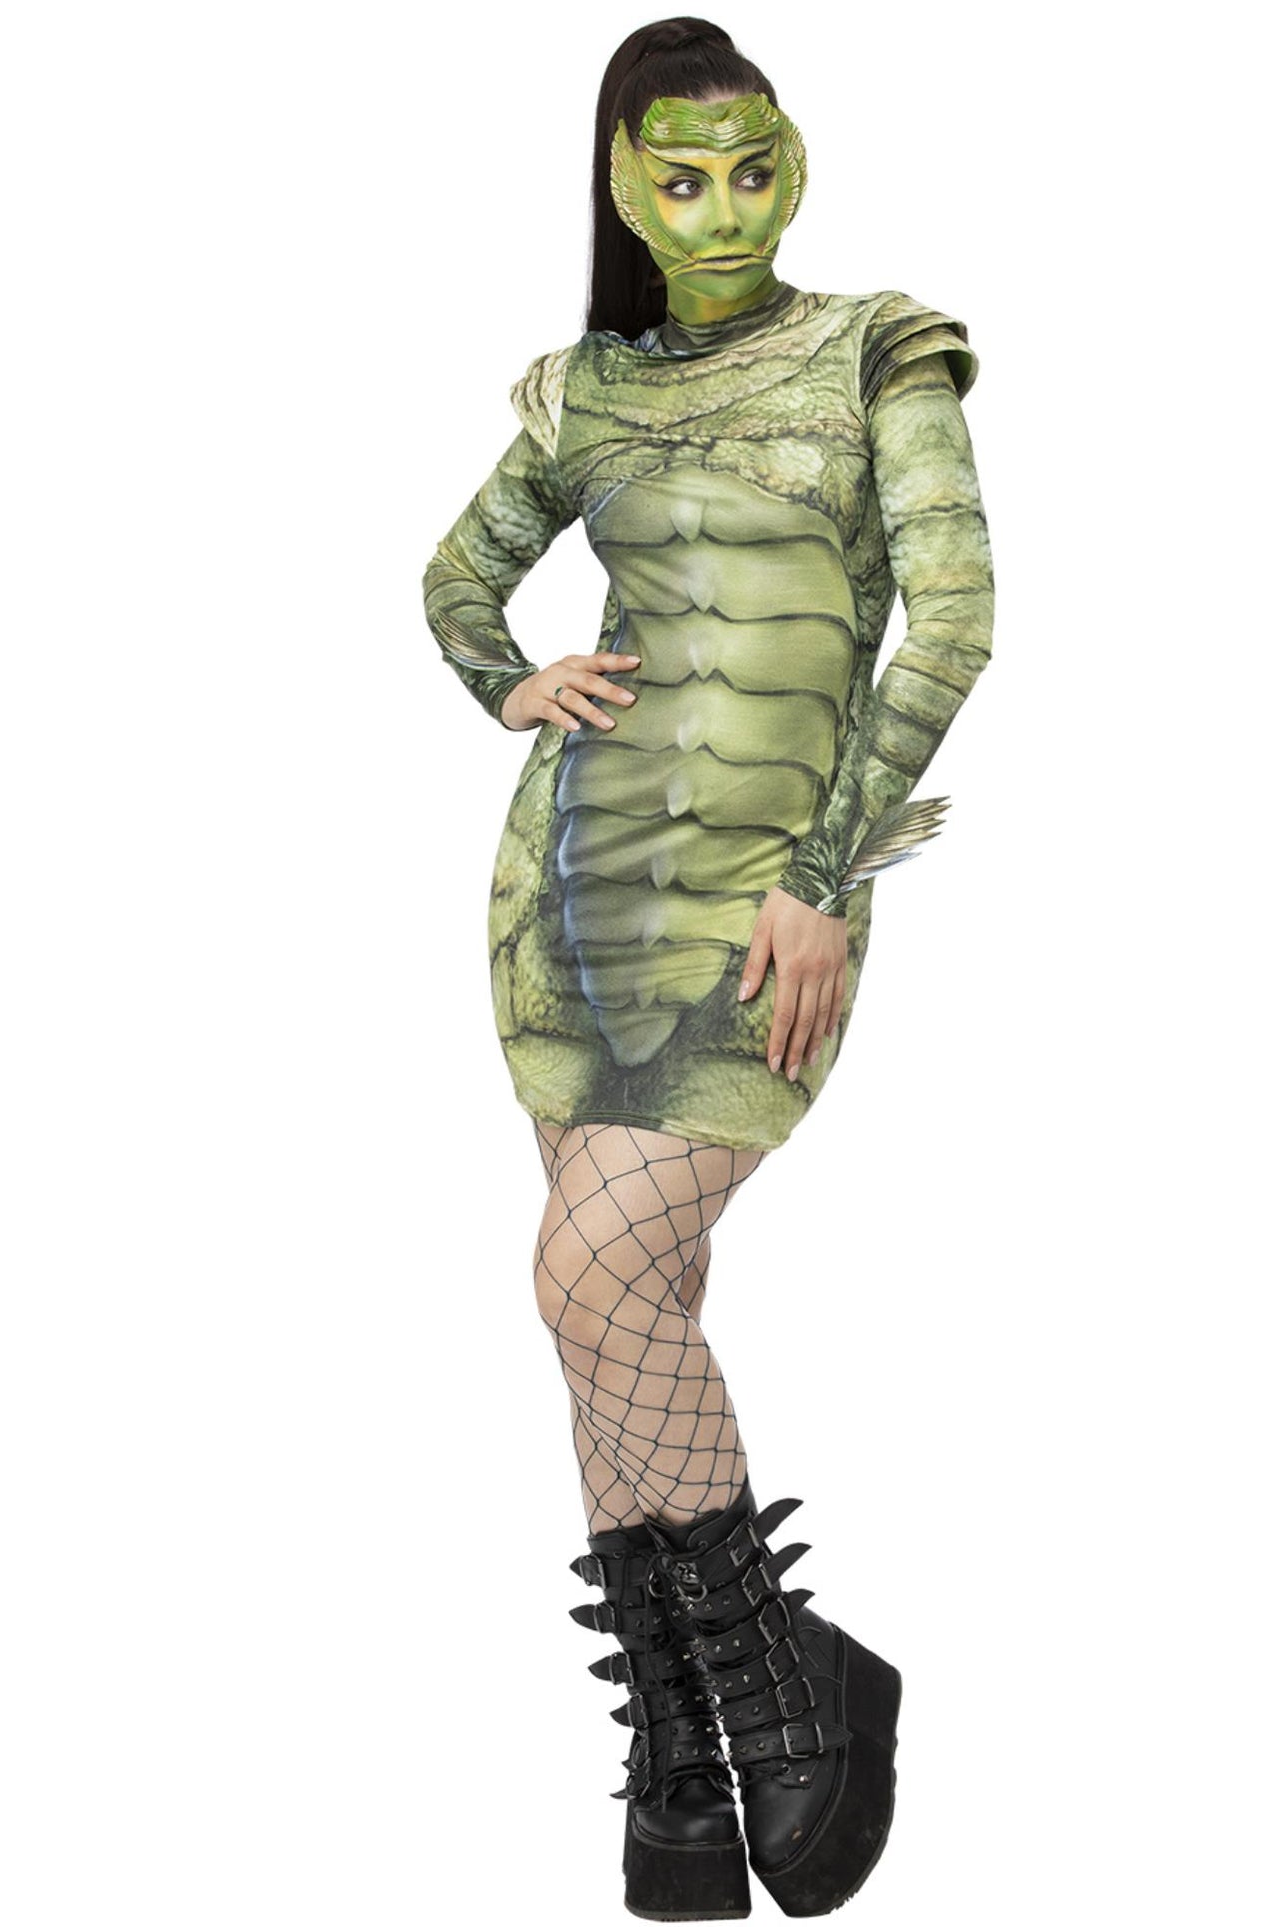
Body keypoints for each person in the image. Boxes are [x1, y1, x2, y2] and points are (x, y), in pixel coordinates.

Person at [420, 17, 994, 1918]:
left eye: (755, 166)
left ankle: (792, 1680)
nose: (726, 207)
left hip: (771, 888)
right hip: (575, 885)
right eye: (680, 177)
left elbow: (953, 621)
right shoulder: (583, 390)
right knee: (619, 1306)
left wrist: (827, 876)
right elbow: (454, 576)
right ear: (624, 189)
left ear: (795, 160)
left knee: (588, 1273)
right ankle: (683, 1748)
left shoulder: (879, 349)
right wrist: (504, 677)